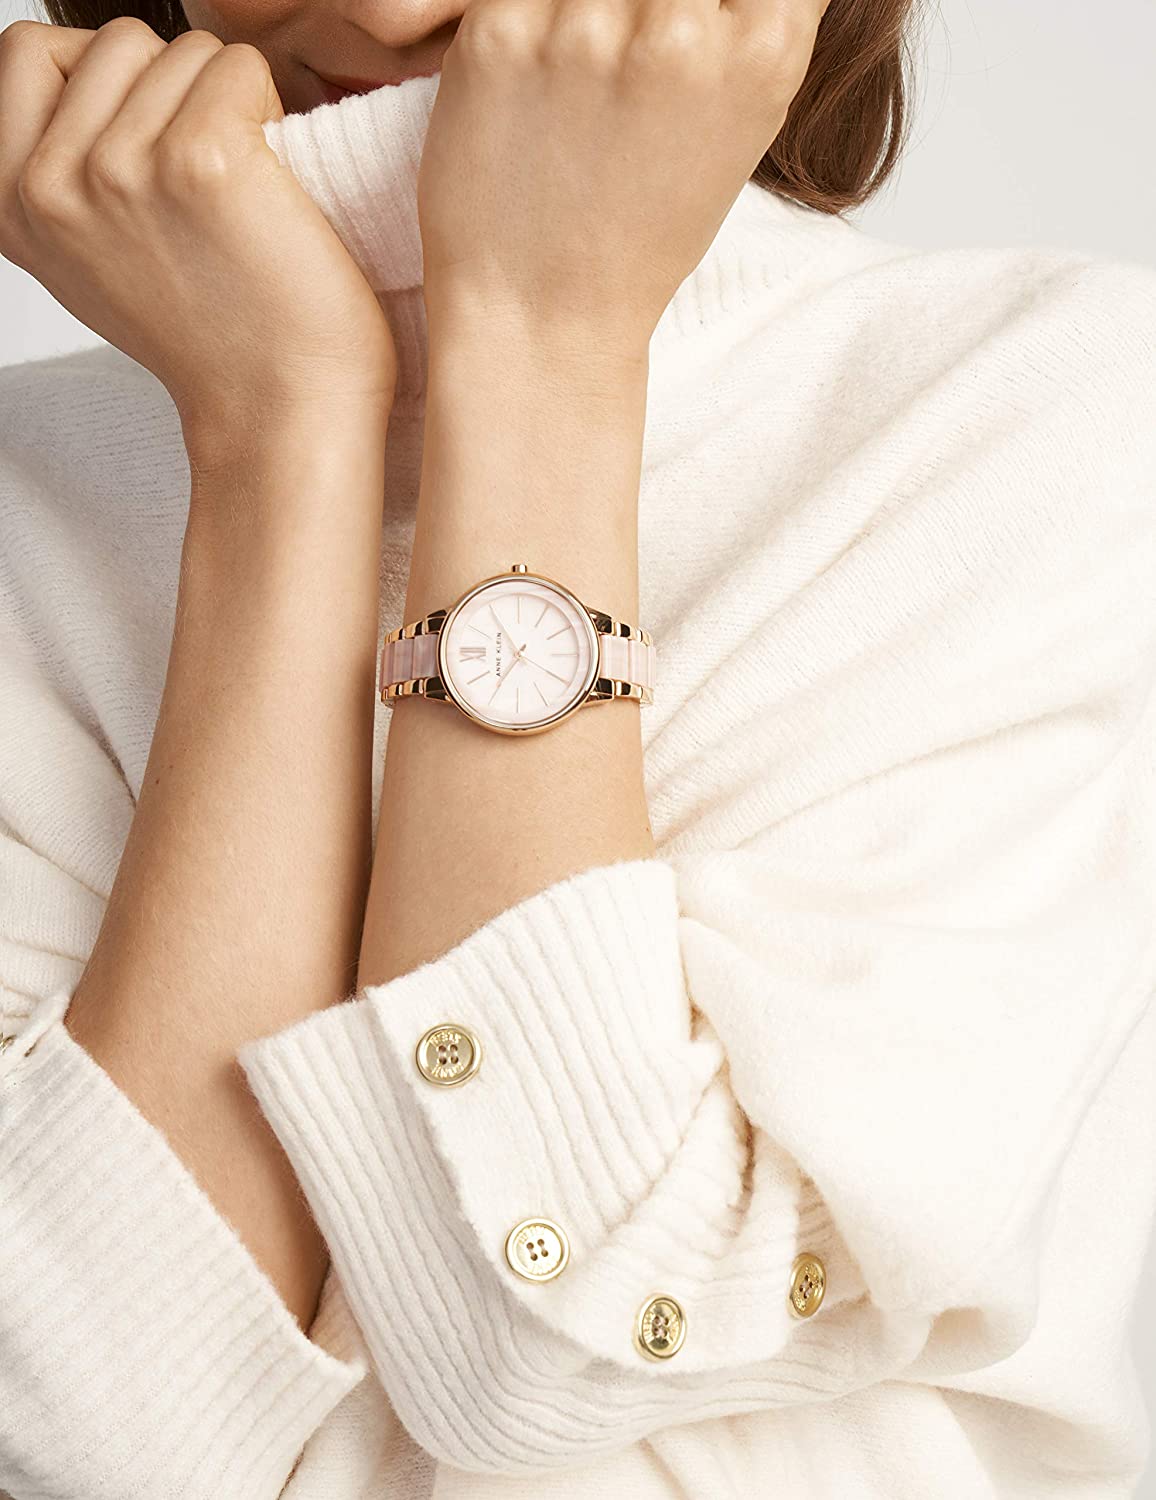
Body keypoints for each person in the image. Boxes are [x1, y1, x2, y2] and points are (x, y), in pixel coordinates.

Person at [0, 0, 1153, 1492]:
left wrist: (543, 347)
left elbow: (552, 1356)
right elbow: (94, 1437)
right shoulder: (24, 498)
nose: (386, 9)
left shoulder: (1041, 410)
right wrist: (277, 433)